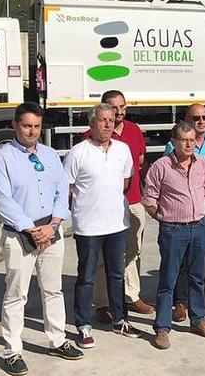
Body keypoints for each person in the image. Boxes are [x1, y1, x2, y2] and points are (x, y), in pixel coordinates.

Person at [0, 102, 83, 376]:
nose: (32, 131)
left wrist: (54, 225)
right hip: (20, 236)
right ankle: (12, 350)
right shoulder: (3, 158)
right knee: (17, 293)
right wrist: (32, 229)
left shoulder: (51, 155)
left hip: (51, 232)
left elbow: (61, 191)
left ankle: (56, 339)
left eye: (37, 126)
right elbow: (4, 201)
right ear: (15, 126)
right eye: (27, 126)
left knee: (53, 289)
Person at [65, 103, 140, 349]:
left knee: (116, 274)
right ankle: (83, 325)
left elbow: (126, 183)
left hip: (117, 224)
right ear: (91, 124)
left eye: (111, 119)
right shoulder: (78, 153)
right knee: (86, 277)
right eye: (102, 120)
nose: (107, 124)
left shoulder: (123, 149)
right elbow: (67, 189)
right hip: (88, 227)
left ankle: (120, 319)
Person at [143, 122, 205, 349]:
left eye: (192, 140)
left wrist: (195, 210)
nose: (188, 144)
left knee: (197, 277)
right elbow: (149, 198)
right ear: (173, 142)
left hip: (199, 227)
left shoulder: (202, 163)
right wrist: (165, 217)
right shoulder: (161, 166)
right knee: (169, 279)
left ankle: (198, 320)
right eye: (183, 140)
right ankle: (162, 328)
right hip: (173, 230)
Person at [86, 90, 153, 324]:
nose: (119, 111)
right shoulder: (91, 135)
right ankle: (103, 303)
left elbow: (141, 161)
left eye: (122, 106)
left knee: (134, 249)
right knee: (105, 256)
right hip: (105, 206)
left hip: (134, 200)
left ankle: (131, 294)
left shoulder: (134, 130)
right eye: (114, 107)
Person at [164, 103, 205, 320]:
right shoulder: (174, 145)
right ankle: (180, 302)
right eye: (195, 118)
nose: (201, 122)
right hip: (180, 210)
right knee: (181, 258)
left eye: (204, 117)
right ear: (187, 119)